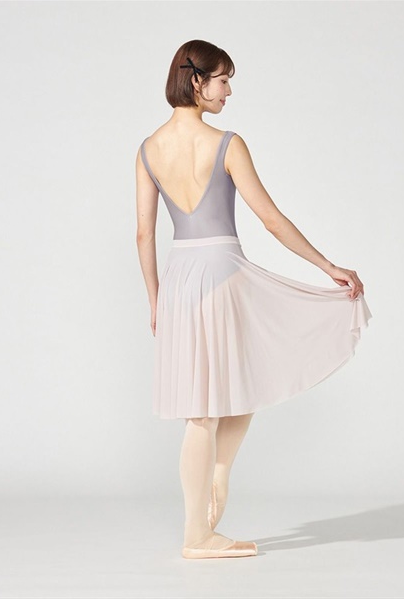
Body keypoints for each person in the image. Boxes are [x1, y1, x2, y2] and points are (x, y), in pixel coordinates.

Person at [135, 40, 372, 560]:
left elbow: (144, 234)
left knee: (221, 394)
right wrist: (328, 266)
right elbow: (270, 218)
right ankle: (199, 529)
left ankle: (210, 496)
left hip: (180, 277)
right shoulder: (227, 143)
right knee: (226, 393)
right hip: (222, 271)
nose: (229, 90)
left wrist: (155, 299)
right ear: (196, 81)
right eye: (223, 80)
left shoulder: (149, 149)